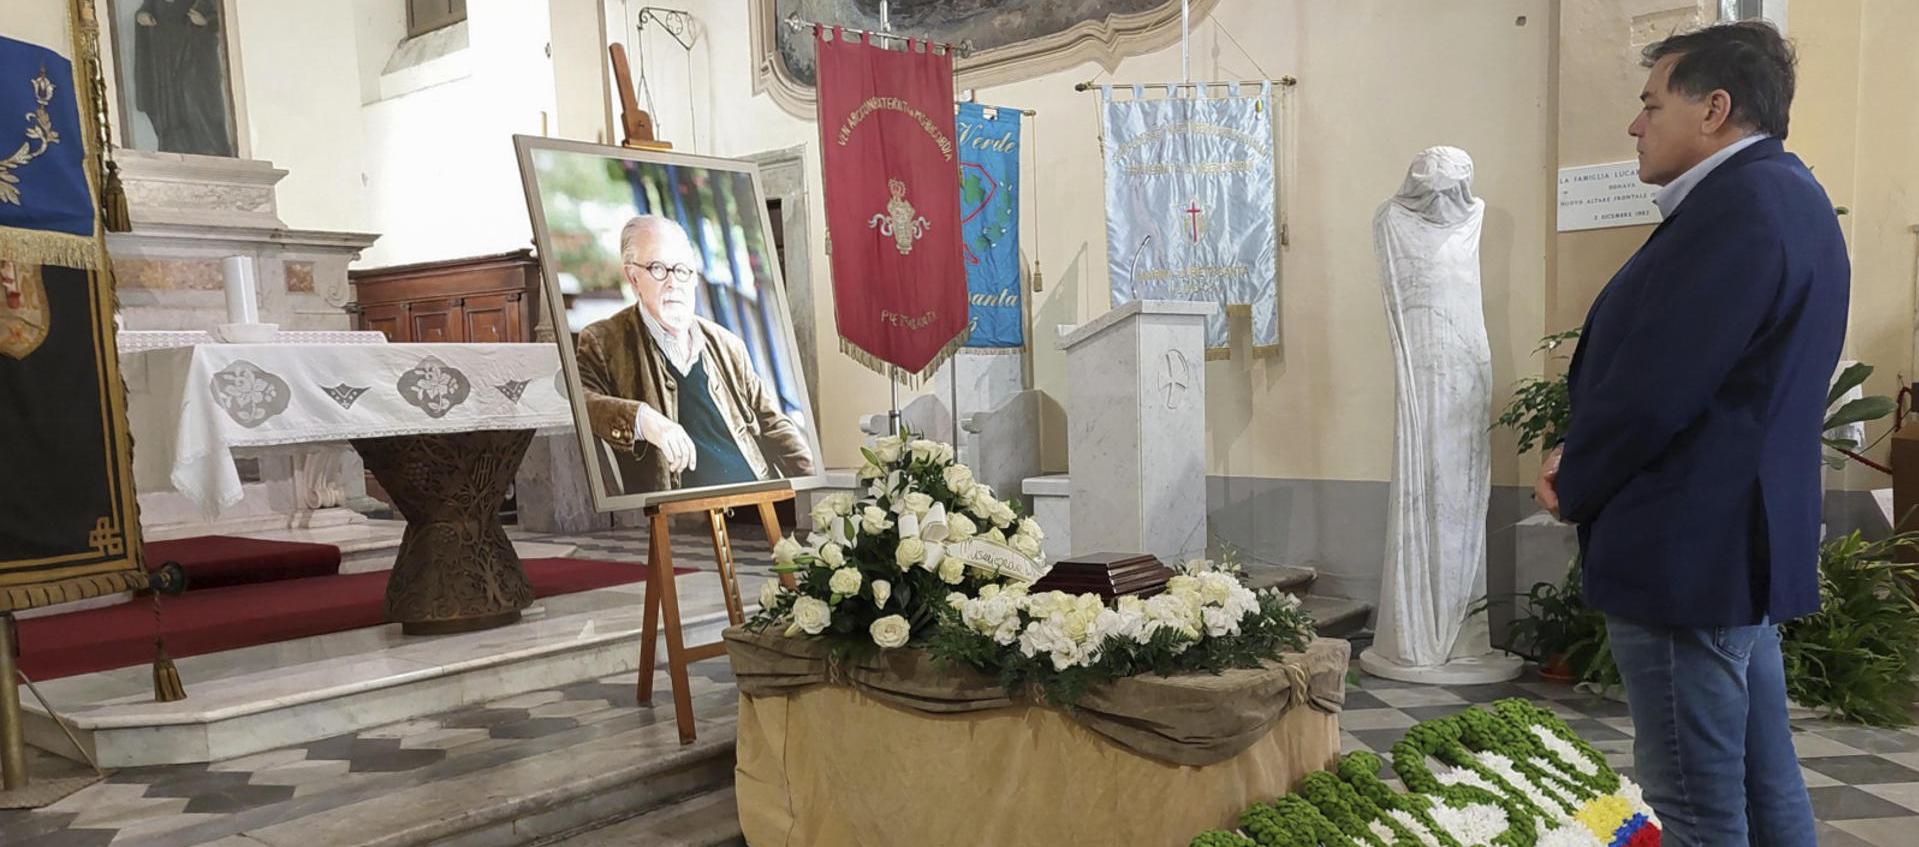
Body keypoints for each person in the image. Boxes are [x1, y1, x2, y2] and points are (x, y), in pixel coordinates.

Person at [1535, 22, 1844, 846]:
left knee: (1694, 804)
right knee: (1764, 781)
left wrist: (1575, 476)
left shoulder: (1737, 208)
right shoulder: (1789, 194)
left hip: (1687, 552)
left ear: (1713, 109)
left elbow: (1655, 389)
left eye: (1648, 104)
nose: (1635, 126)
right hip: (1732, 550)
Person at [575, 215, 816, 496]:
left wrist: (816, 485)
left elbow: (773, 425)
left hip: (757, 497)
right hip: (685, 518)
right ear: (633, 277)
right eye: (658, 268)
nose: (673, 282)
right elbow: (579, 401)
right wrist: (644, 420)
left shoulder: (728, 344)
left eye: (682, 270)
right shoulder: (604, 342)